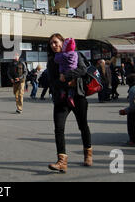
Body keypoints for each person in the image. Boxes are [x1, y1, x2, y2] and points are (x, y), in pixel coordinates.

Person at [46, 34, 92, 173]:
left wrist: (67, 76)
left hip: (78, 96)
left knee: (83, 126)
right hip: (61, 99)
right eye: (51, 44)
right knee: (59, 129)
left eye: (55, 42)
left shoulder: (75, 54)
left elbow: (84, 70)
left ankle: (88, 154)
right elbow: (51, 81)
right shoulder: (52, 60)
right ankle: (62, 161)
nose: (53, 45)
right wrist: (60, 82)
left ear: (62, 42)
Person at [54, 38, 78, 108]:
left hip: (65, 72)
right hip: (73, 72)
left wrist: (59, 54)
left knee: (63, 84)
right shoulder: (75, 54)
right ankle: (70, 96)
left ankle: (63, 93)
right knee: (72, 87)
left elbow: (56, 60)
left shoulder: (64, 55)